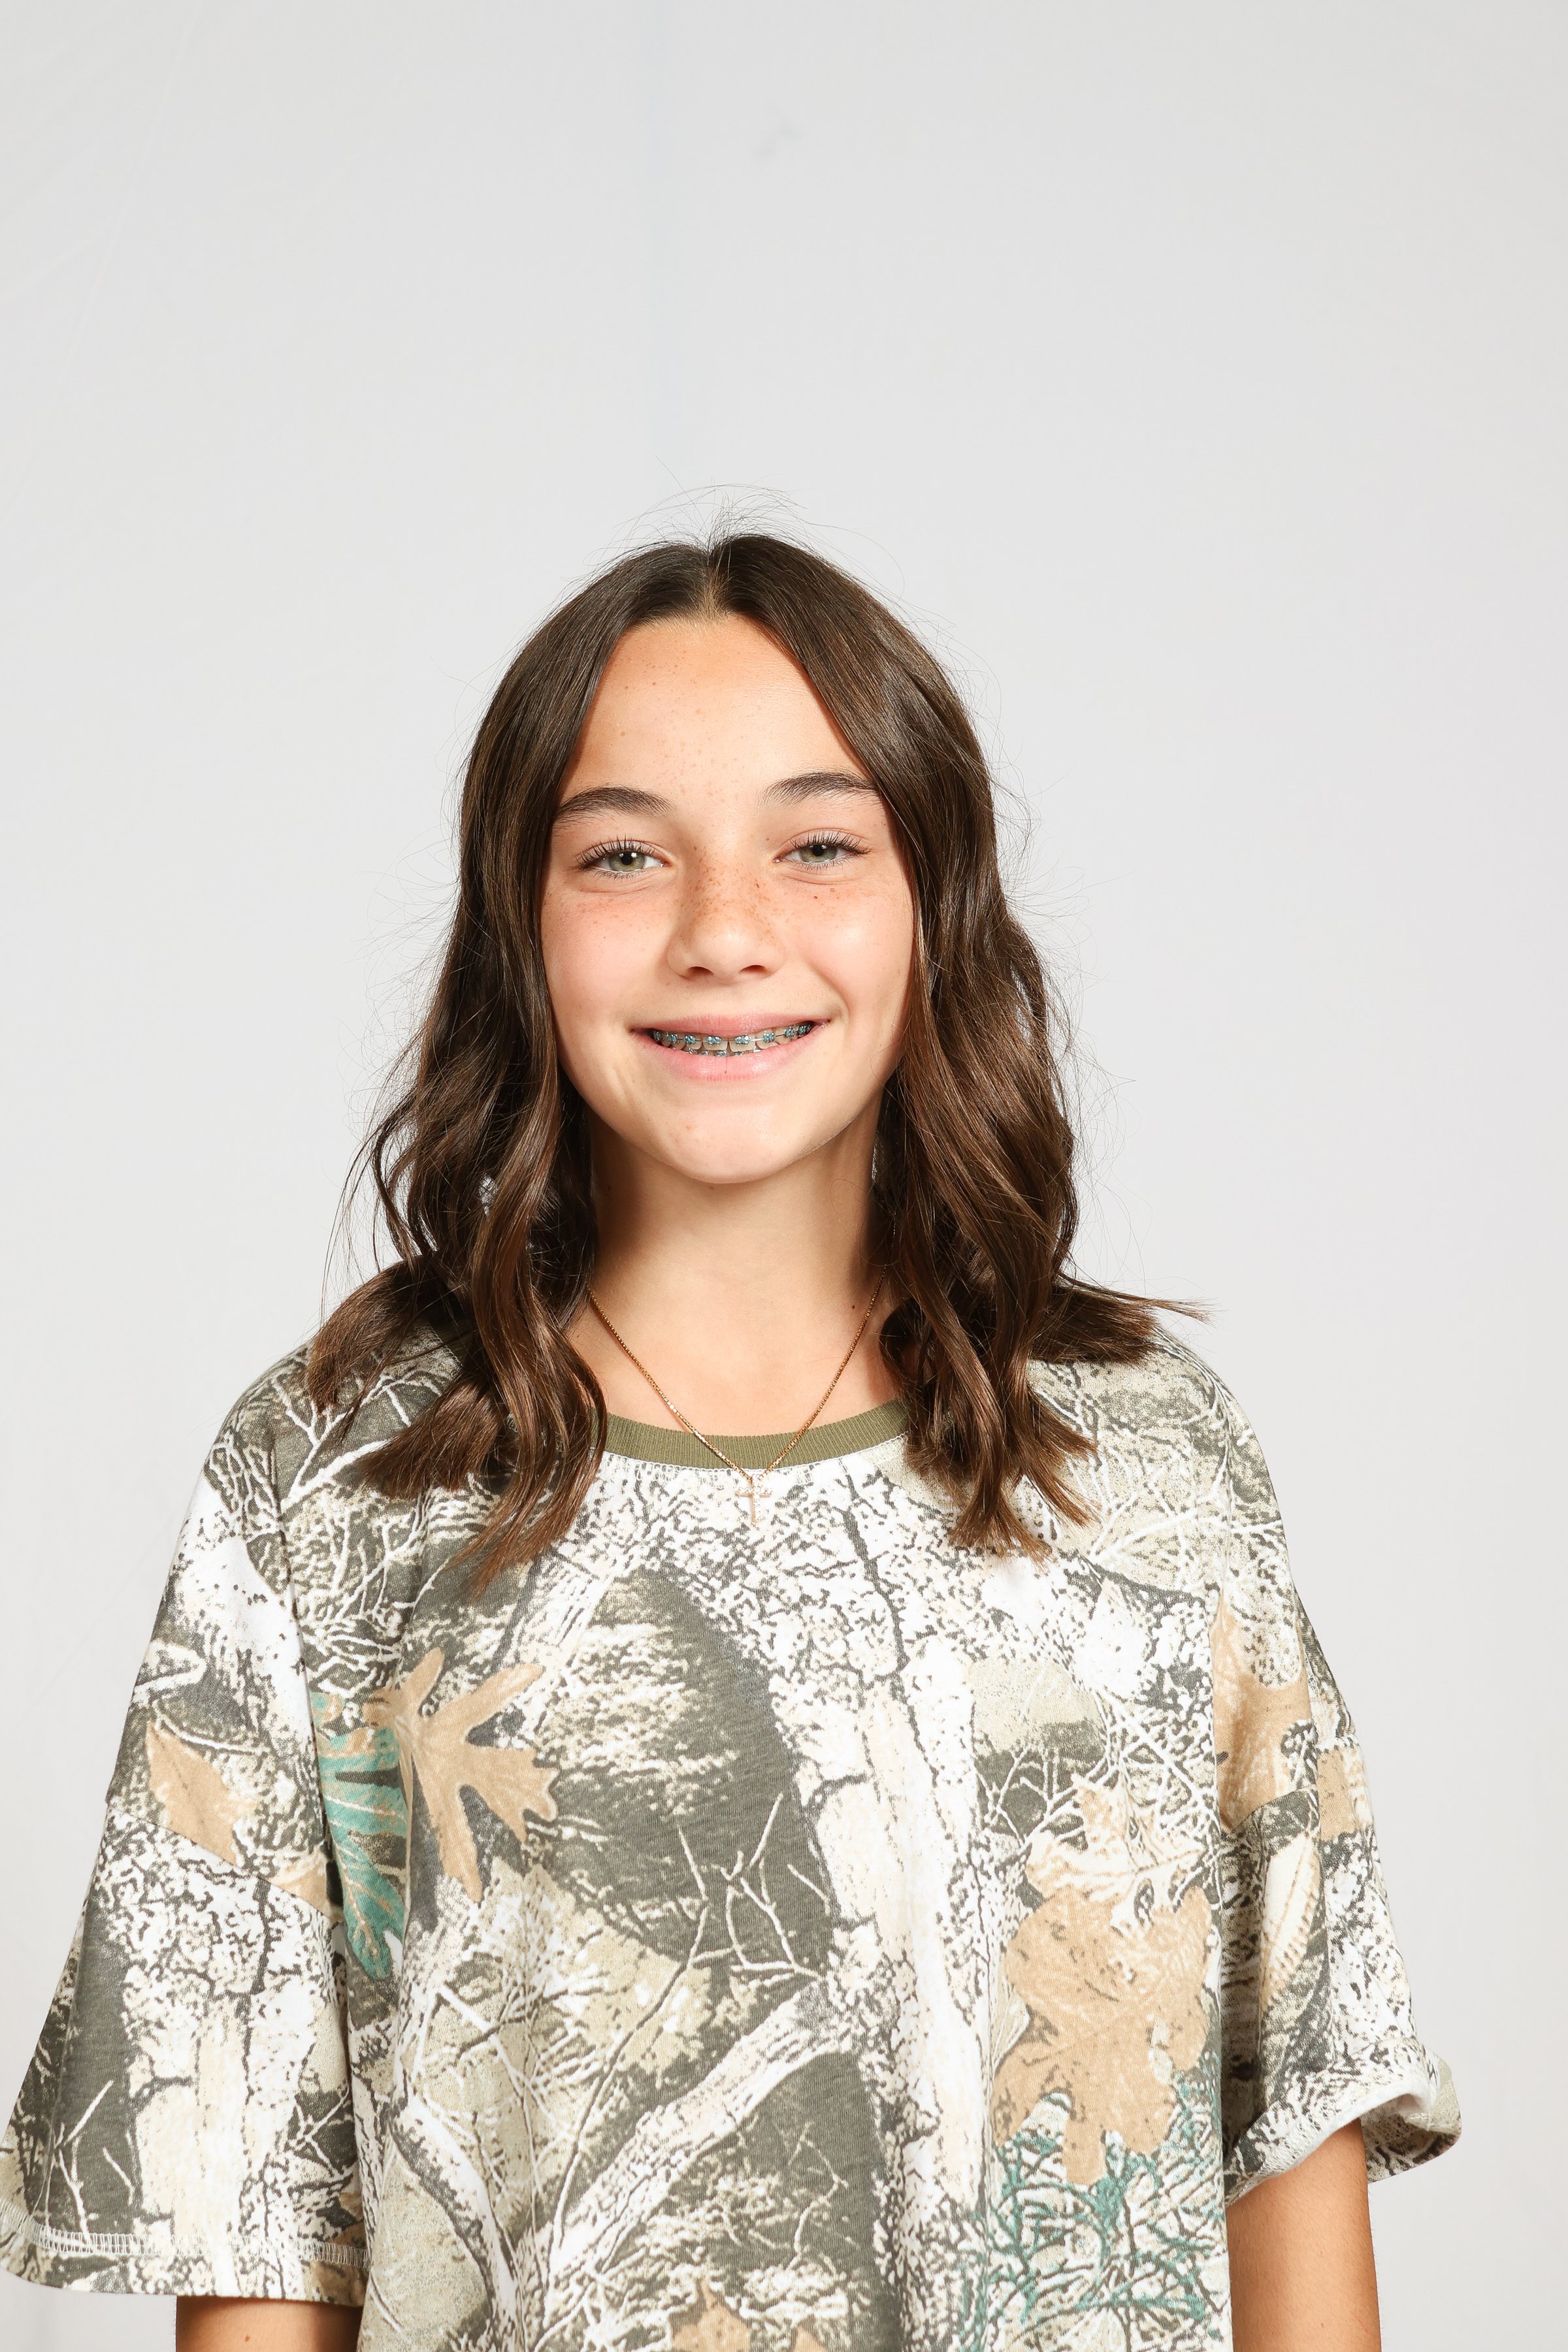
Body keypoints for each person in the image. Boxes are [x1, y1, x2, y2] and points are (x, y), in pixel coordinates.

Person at [0, 536, 1457, 2352]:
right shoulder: (335, 1485)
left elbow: (1292, 2117)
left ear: (932, 905)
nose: (723, 927)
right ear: (521, 926)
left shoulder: (1145, 1463)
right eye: (624, 854)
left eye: (818, 846)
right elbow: (262, 2228)